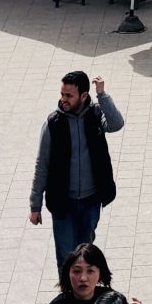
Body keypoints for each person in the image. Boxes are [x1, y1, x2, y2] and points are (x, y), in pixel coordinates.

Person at [28, 70, 125, 266]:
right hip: (63, 203)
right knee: (65, 257)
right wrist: (35, 206)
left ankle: (84, 293)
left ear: (83, 96)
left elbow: (116, 124)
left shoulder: (96, 114)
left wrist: (102, 96)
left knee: (85, 255)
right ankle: (67, 294)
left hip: (91, 201)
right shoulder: (53, 123)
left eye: (69, 95)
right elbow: (42, 164)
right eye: (62, 94)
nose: (63, 99)